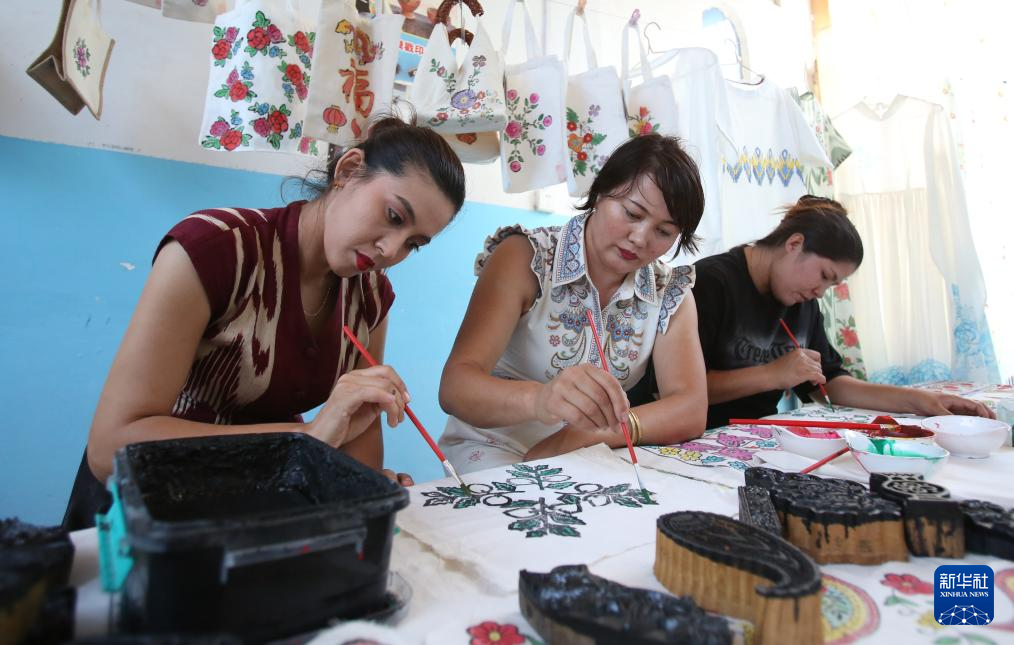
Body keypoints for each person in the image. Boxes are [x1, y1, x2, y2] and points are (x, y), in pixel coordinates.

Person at [79, 117, 465, 521]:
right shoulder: (215, 248)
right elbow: (110, 449)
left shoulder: (369, 295)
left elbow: (357, 440)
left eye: (413, 244)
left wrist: (363, 485)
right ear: (348, 171)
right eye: (393, 216)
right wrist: (304, 440)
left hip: (264, 510)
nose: (391, 250)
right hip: (151, 514)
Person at [437, 135, 709, 473]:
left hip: (588, 451)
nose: (640, 238)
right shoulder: (528, 259)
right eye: (632, 213)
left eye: (664, 232)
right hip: (495, 446)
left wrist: (592, 434)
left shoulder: (668, 290)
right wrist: (540, 399)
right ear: (600, 192)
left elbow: (690, 408)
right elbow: (456, 388)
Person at [692, 195, 995, 427]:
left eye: (832, 284)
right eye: (825, 275)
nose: (820, 292)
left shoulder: (802, 302)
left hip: (755, 438)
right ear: (795, 243)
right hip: (698, 437)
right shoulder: (709, 283)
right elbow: (680, 390)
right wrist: (773, 375)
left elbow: (831, 384)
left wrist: (920, 401)